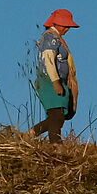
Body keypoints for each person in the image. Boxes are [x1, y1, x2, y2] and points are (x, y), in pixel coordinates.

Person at [32, 9, 79, 142]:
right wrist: (55, 81)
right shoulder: (50, 37)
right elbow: (48, 59)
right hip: (49, 80)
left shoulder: (57, 38)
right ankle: (56, 145)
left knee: (61, 115)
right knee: (56, 115)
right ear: (56, 24)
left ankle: (29, 135)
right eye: (64, 25)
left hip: (57, 80)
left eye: (68, 26)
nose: (67, 29)